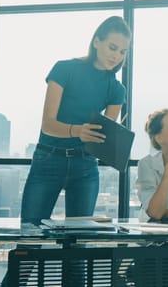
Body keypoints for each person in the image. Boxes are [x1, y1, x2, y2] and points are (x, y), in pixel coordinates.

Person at [20, 16, 132, 224]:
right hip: (48, 159)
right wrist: (78, 131)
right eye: (113, 47)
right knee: (31, 233)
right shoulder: (64, 69)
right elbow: (48, 124)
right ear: (97, 42)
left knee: (78, 242)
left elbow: (102, 138)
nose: (116, 56)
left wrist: (115, 140)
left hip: (85, 165)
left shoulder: (117, 90)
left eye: (122, 52)